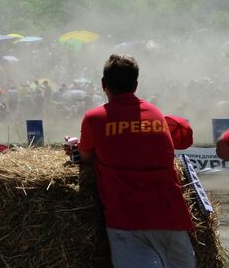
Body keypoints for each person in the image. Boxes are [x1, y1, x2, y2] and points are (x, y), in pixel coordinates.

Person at [70, 54, 195, 268]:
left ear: (103, 84)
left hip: (126, 220)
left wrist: (73, 148)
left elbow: (85, 157)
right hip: (171, 216)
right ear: (135, 85)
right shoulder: (156, 114)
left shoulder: (94, 118)